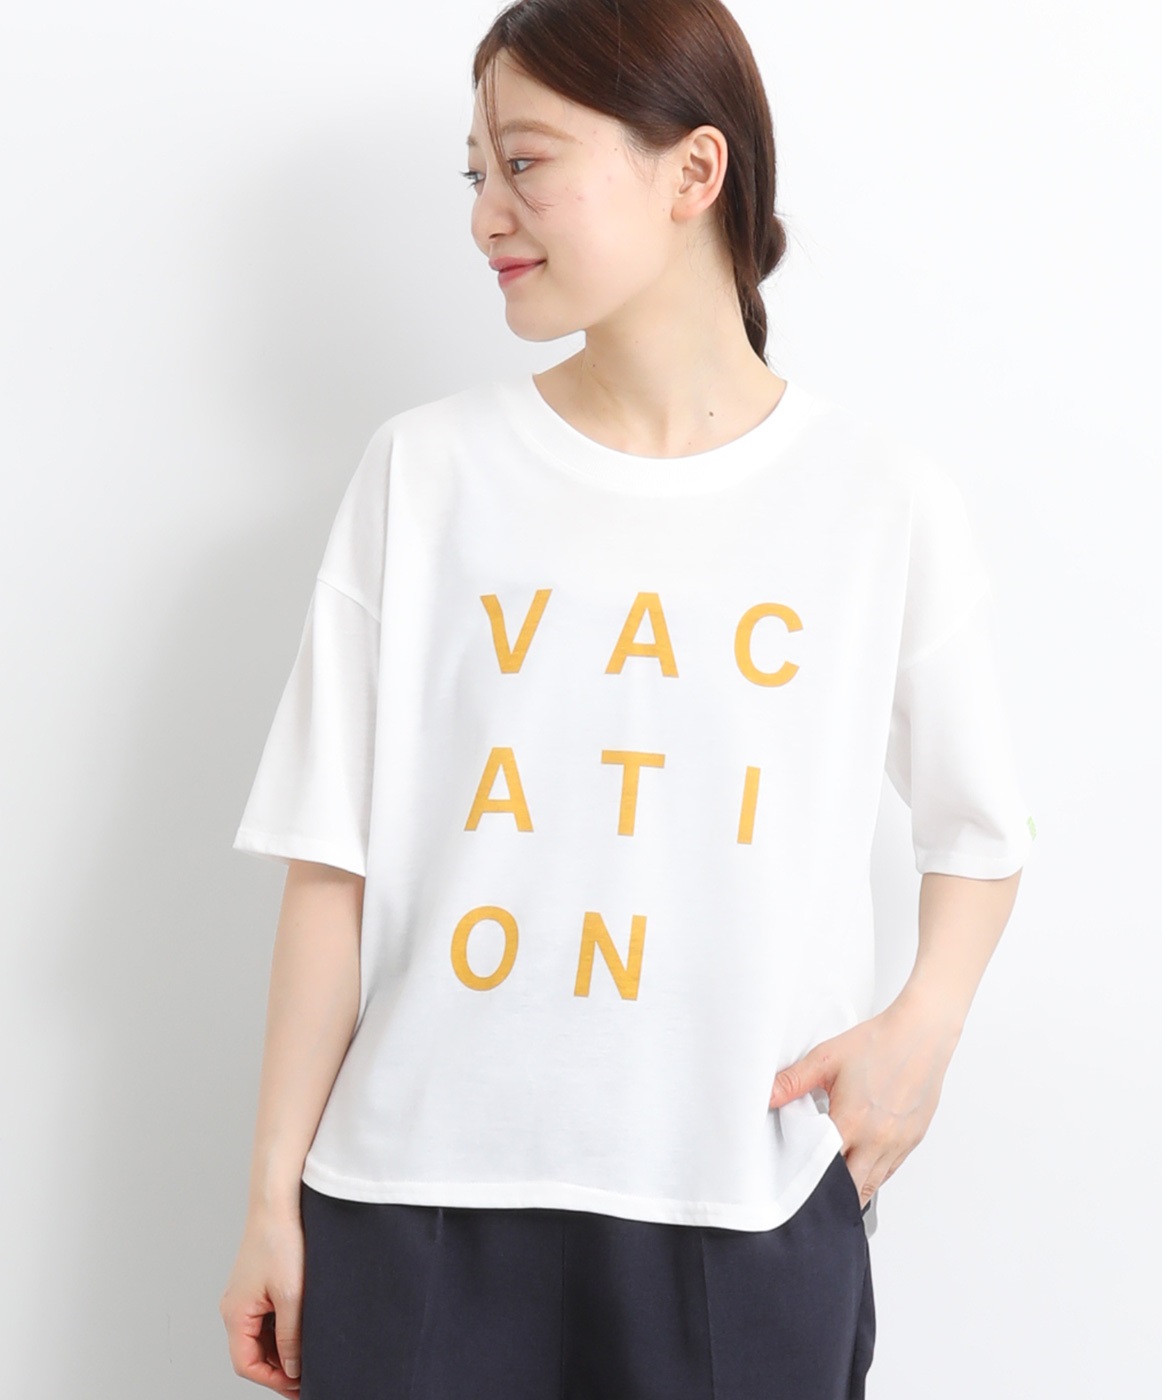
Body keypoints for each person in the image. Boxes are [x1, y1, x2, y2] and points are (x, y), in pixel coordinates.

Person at [218, 1, 1035, 1395]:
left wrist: (925, 1032)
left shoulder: (876, 500)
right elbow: (329, 865)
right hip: (415, 1208)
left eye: (525, 163)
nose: (485, 213)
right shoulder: (425, 475)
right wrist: (269, 1204)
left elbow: (980, 833)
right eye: (476, 171)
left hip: (745, 1209)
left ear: (694, 170)